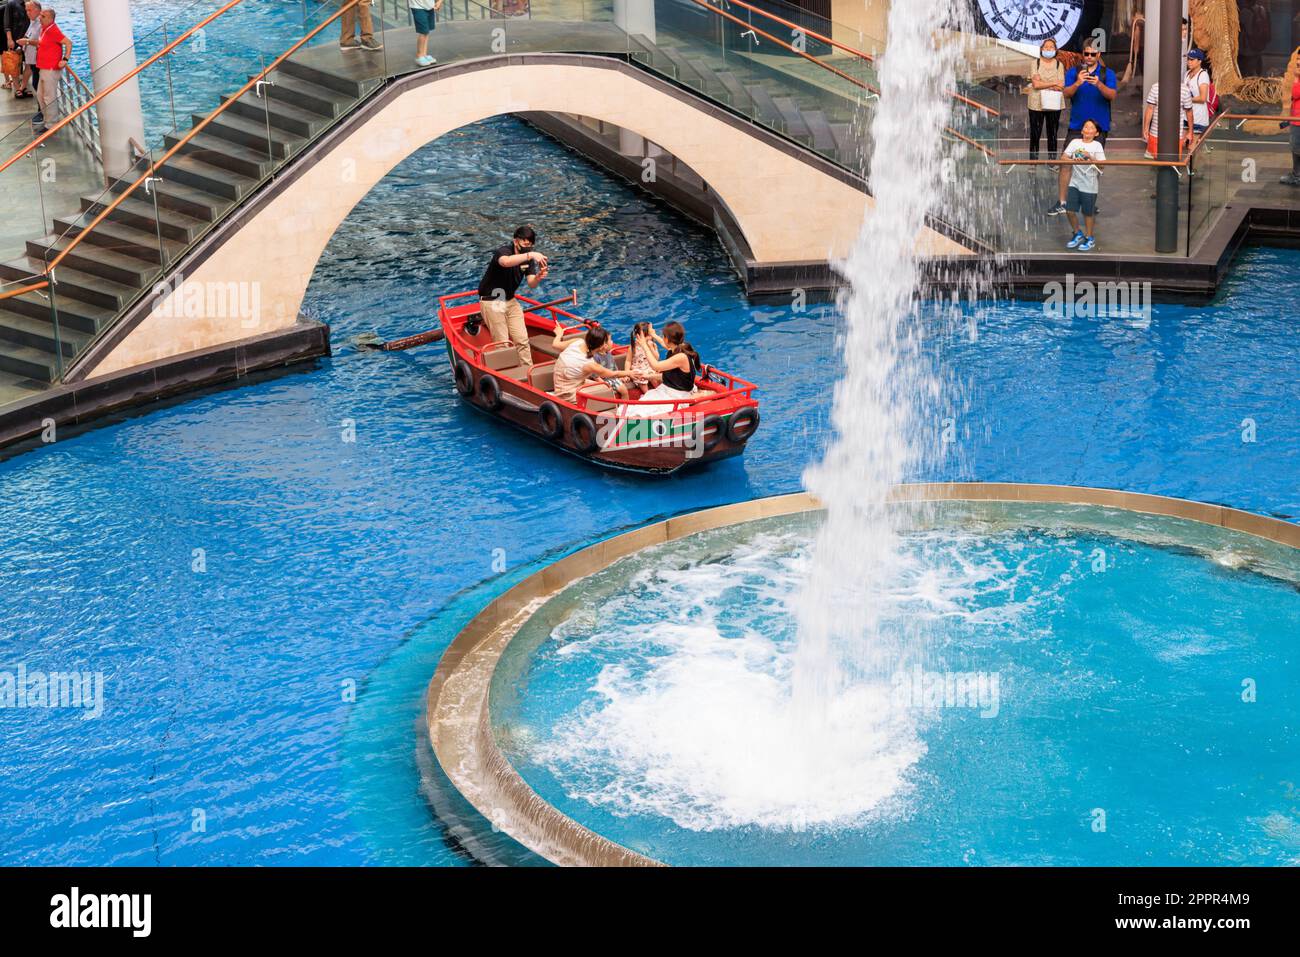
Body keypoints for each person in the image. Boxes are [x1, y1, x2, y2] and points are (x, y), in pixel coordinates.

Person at [1047, 41, 1116, 215]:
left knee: (1094, 165)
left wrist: (1099, 84)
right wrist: (1078, 83)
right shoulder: (1074, 72)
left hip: (1098, 127)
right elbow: (1066, 93)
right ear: (1083, 55)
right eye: (1087, 54)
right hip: (1077, 125)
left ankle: (1089, 202)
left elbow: (1112, 95)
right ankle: (1063, 201)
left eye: (1093, 54)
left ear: (1098, 55)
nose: (1090, 57)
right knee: (1066, 163)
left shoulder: (1107, 73)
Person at [477, 226, 546, 368]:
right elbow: (505, 262)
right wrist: (530, 255)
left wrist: (538, 277)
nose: (528, 248)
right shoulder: (503, 252)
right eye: (525, 245)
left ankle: (528, 370)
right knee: (502, 342)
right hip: (493, 299)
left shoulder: (528, 259)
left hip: (510, 299)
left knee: (522, 339)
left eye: (531, 246)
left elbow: (531, 283)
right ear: (516, 241)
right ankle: (506, 372)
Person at [633, 321, 700, 416]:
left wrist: (644, 346)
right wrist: (654, 335)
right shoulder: (677, 348)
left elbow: (656, 365)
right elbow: (671, 376)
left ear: (667, 339)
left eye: (663, 336)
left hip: (678, 395)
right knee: (641, 405)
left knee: (646, 411)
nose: (662, 339)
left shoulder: (680, 357)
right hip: (669, 390)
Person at [550, 325, 628, 403]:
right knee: (607, 390)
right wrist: (630, 373)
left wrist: (559, 334)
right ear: (602, 346)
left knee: (604, 386)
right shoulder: (589, 363)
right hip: (567, 394)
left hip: (564, 384)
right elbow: (611, 374)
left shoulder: (578, 341)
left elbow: (555, 344)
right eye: (608, 341)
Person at [1061, 119, 1105, 253]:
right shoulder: (1075, 143)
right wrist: (1073, 159)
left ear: (1096, 133)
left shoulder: (1097, 146)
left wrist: (1090, 158)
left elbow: (1102, 165)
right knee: (1069, 210)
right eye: (1086, 127)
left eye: (1091, 128)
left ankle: (1089, 237)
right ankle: (1077, 233)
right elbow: (1063, 157)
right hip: (1074, 183)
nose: (1088, 130)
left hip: (1090, 185)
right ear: (1082, 131)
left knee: (1088, 213)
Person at [21, 5, 66, 133]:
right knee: (41, 95)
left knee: (49, 97)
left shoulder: (53, 30)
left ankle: (52, 125)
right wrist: (28, 42)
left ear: (51, 19)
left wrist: (65, 59)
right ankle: (47, 121)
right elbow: (41, 43)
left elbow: (68, 42)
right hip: (43, 67)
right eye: (41, 15)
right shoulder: (44, 29)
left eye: (43, 16)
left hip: (50, 68)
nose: (40, 18)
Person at [1026, 38, 1065, 164]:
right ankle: (1033, 163)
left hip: (1054, 103)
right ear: (1041, 49)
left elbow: (1061, 86)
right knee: (1035, 134)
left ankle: (1052, 162)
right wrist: (1053, 82)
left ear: (1056, 50)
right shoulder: (1035, 63)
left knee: (1052, 134)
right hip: (1036, 104)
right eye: (1046, 47)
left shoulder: (1059, 65)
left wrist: (1043, 82)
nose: (1048, 49)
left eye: (1051, 47)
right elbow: (1036, 85)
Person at [1142, 78, 1194, 160]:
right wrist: (1146, 128)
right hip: (1156, 133)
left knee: (1173, 161)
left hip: (1176, 135)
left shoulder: (1184, 90)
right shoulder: (1155, 87)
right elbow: (1150, 108)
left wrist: (1190, 132)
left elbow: (1189, 111)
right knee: (1156, 160)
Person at [1183, 49, 1212, 142]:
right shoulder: (1187, 74)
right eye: (1188, 59)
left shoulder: (1203, 75)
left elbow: (1203, 98)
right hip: (1185, 115)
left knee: (1192, 146)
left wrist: (1186, 99)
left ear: (1199, 61)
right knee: (1181, 143)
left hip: (1198, 117)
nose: (1189, 61)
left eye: (1192, 59)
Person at [3, 0, 30, 95]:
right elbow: (7, 25)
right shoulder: (11, 4)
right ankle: (17, 88)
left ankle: (23, 86)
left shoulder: (33, 4)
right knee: (14, 64)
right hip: (15, 40)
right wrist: (9, 39)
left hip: (28, 41)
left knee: (28, 64)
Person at [16, 2, 37, 101]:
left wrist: (27, 42)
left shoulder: (40, 24)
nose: (27, 13)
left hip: (37, 60)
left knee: (37, 85)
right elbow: (28, 34)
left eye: (29, 10)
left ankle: (42, 111)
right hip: (30, 58)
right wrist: (21, 45)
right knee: (35, 84)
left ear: (37, 10)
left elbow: (43, 43)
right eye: (26, 10)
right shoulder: (32, 22)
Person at [1282, 73, 1300, 187]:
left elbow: (1295, 93)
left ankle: (1297, 176)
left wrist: (1297, 78)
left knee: (1296, 147)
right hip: (1295, 119)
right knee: (1296, 147)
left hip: (1298, 121)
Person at [411, 0, 441, 67]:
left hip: (430, 6)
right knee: (423, 31)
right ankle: (419, 56)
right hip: (418, 7)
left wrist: (439, 2)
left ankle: (424, 54)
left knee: (426, 31)